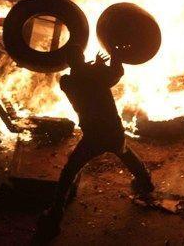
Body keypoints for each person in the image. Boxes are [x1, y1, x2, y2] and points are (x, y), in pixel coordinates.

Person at [36, 45, 154, 241]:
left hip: (93, 135)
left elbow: (86, 78)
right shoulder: (96, 74)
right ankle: (146, 182)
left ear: (68, 62)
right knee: (124, 152)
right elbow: (115, 74)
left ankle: (55, 215)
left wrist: (95, 67)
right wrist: (114, 58)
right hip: (112, 130)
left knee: (70, 170)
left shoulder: (67, 81)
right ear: (82, 58)